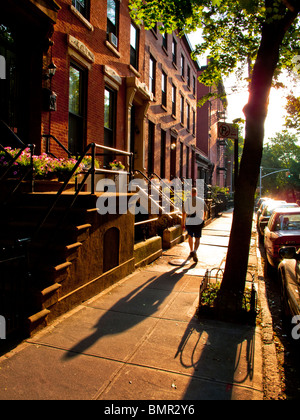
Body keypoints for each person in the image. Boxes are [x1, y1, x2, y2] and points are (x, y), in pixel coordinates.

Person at [181, 187, 207, 263]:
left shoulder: (187, 201)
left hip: (190, 220)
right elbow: (205, 211)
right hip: (198, 220)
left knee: (190, 237)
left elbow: (183, 213)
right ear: (196, 193)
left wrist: (183, 223)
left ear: (190, 193)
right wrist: (203, 219)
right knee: (198, 238)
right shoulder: (201, 201)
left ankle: (191, 250)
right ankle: (195, 251)